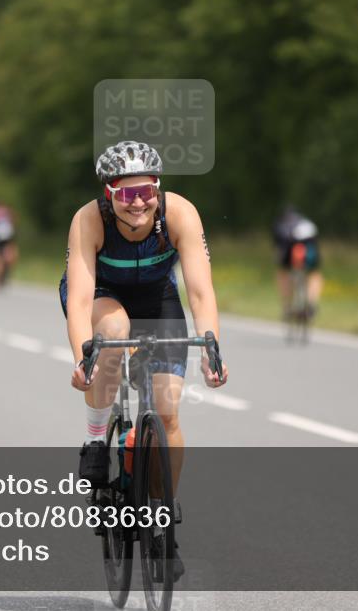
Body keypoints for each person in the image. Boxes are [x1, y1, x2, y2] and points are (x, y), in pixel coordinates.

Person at [60, 140, 229, 578]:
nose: (138, 203)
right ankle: (98, 438)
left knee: (168, 410)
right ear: (108, 195)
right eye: (125, 194)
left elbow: (200, 291)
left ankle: (161, 514)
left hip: (157, 296)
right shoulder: (88, 220)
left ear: (158, 188)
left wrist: (211, 345)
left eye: (146, 191)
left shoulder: (180, 214)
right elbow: (79, 301)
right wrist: (83, 357)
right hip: (103, 294)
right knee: (112, 335)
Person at [272, 204, 323, 320]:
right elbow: (315, 246)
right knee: (315, 274)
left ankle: (287, 306)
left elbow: (278, 249)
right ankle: (311, 303)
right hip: (309, 251)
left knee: (282, 273)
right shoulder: (307, 224)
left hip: (288, 252)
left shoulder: (280, 224)